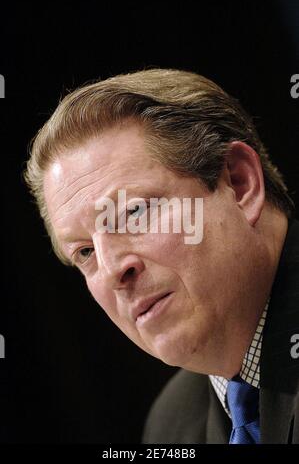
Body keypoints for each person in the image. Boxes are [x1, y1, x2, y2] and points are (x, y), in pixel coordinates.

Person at [24, 69, 299, 444]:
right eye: (85, 251)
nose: (111, 270)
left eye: (134, 213)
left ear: (239, 184)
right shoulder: (171, 423)